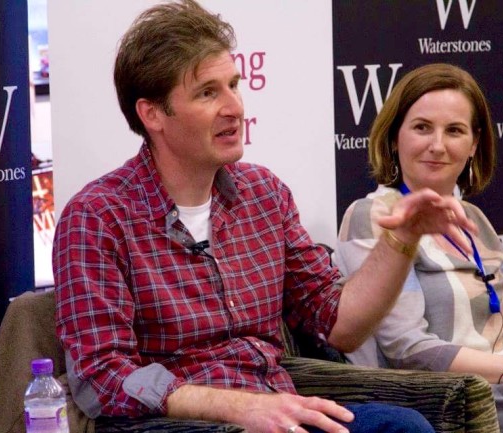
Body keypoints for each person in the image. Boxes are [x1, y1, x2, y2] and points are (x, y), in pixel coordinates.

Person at [53, 3, 477, 432]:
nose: (234, 107)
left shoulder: (263, 194)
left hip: (279, 412)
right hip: (182, 424)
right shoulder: (98, 216)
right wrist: (240, 408)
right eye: (207, 92)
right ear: (153, 114)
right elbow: (101, 377)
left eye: (234, 85)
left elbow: (340, 326)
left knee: (400, 427)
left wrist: (401, 238)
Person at [334, 62, 503, 433]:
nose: (437, 145)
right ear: (394, 138)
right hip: (454, 399)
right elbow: (410, 351)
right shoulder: (372, 216)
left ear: (473, 145)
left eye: (454, 131)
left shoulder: (472, 219)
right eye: (422, 127)